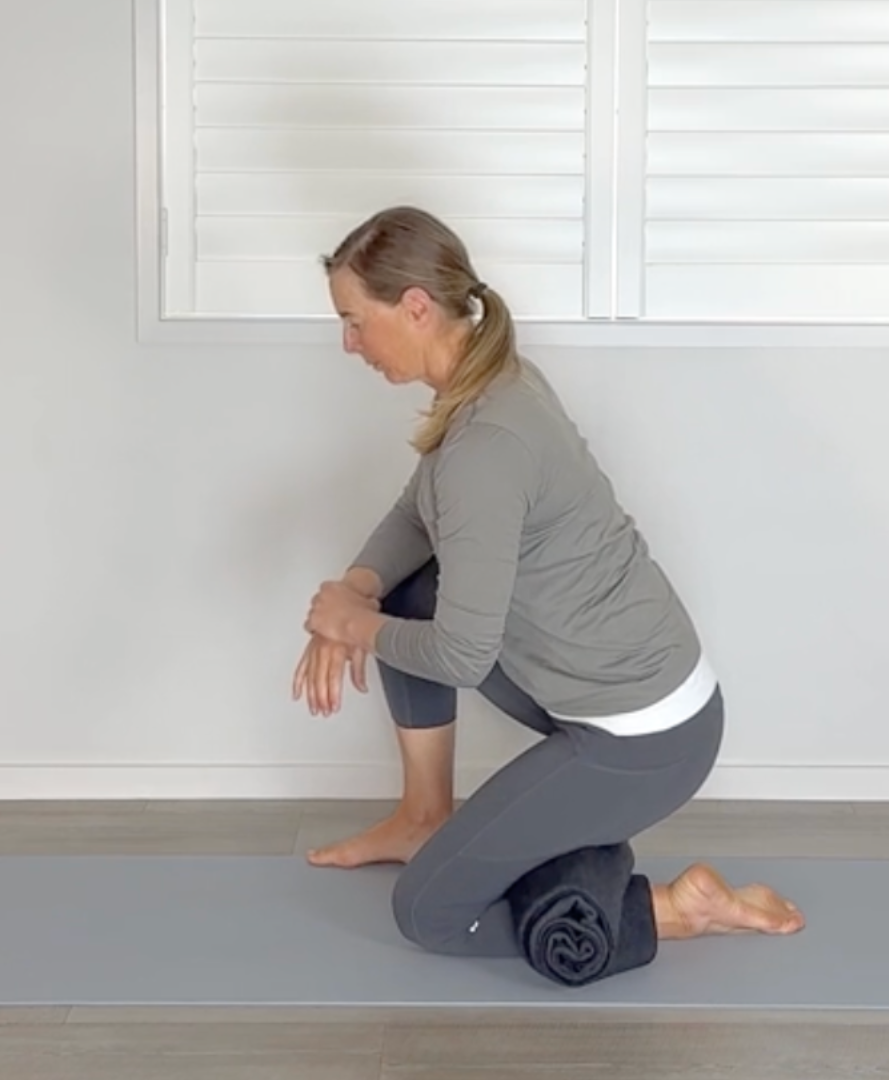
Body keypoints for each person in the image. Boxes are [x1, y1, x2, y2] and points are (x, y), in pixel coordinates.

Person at [290, 206, 804, 982]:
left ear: (417, 307)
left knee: (429, 914)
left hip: (646, 741)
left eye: (355, 321)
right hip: (607, 692)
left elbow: (462, 656)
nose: (347, 343)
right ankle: (425, 816)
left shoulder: (486, 443)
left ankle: (677, 907)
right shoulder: (489, 381)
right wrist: (357, 592)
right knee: (406, 592)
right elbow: (415, 514)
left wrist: (353, 626)